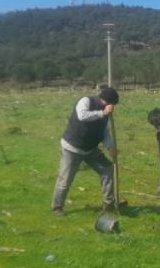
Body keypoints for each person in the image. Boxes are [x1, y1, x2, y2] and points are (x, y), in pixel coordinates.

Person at [51, 87, 119, 217]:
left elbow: (104, 131)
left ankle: (108, 204)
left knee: (107, 169)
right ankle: (57, 207)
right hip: (71, 148)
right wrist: (102, 113)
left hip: (91, 150)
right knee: (65, 180)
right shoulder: (86, 101)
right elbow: (82, 116)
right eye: (112, 104)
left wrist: (111, 147)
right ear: (106, 101)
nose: (113, 107)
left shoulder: (106, 112)